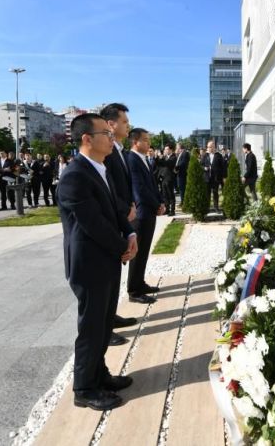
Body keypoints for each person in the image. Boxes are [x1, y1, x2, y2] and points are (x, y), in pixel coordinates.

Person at [57, 113, 137, 411]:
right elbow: (93, 224)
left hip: (107, 258)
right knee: (91, 328)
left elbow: (114, 210)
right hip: (90, 264)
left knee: (104, 324)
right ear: (87, 139)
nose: (112, 136)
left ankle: (99, 373)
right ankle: (85, 388)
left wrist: (129, 233)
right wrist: (122, 247)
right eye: (106, 132)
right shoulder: (75, 175)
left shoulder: (98, 168)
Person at [100, 103, 139, 342]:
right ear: (111, 124)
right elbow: (110, 188)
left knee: (115, 274)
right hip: (115, 217)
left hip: (124, 216)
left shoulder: (118, 149)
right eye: (124, 122)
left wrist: (130, 206)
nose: (128, 125)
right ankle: (105, 328)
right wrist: (125, 210)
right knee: (105, 278)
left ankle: (111, 316)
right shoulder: (107, 152)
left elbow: (123, 185)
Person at [125, 128, 164, 304]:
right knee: (137, 252)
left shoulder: (143, 159)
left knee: (144, 250)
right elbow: (139, 189)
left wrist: (160, 202)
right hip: (141, 213)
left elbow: (152, 185)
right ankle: (134, 290)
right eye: (145, 140)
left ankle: (140, 283)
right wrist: (155, 205)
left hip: (150, 211)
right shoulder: (132, 159)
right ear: (135, 142)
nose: (149, 143)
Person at [200, 140, 225, 212]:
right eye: (208, 147)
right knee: (207, 193)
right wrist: (204, 168)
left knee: (215, 193)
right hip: (207, 178)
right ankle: (207, 207)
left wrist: (223, 177)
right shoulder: (205, 155)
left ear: (214, 147)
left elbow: (223, 167)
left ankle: (216, 207)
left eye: (210, 147)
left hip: (215, 178)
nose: (208, 148)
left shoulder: (219, 156)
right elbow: (200, 165)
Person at [157, 145, 176, 216]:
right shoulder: (165, 157)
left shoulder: (173, 157)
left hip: (170, 178)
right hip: (164, 178)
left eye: (167, 149)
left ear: (171, 150)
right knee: (165, 195)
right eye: (165, 149)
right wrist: (158, 157)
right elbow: (159, 164)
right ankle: (167, 209)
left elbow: (168, 164)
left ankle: (172, 210)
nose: (165, 151)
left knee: (171, 195)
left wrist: (162, 158)